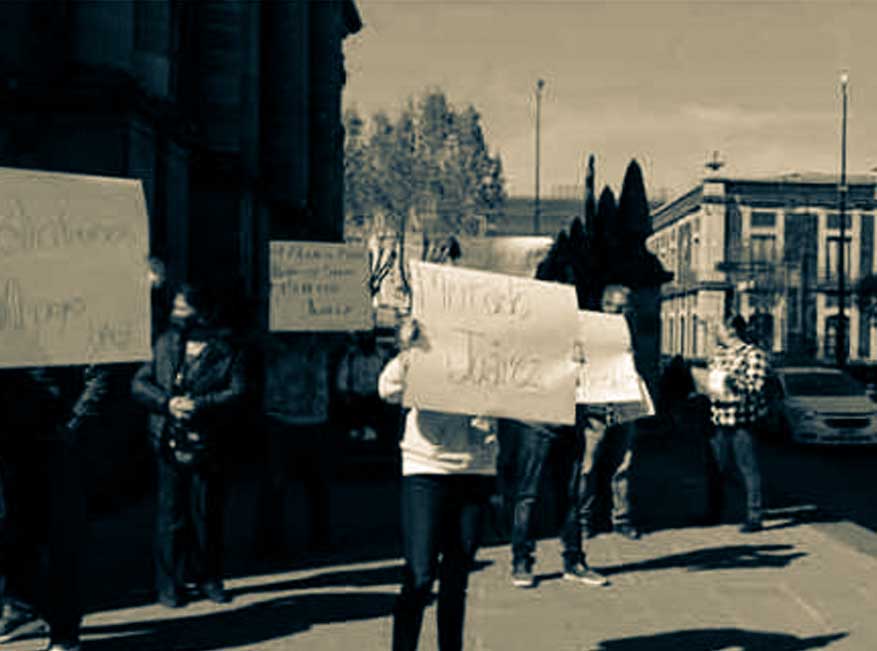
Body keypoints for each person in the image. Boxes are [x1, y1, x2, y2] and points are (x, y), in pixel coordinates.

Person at [378, 317, 497, 651]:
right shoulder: (423, 348)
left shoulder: (495, 353)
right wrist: (408, 350)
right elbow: (387, 389)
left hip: (475, 468)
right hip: (426, 467)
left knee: (456, 577)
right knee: (420, 574)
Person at [132, 284, 246, 607]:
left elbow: (238, 391)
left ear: (203, 312)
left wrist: (200, 404)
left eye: (183, 309)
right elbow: (140, 383)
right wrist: (167, 403)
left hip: (209, 443)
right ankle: (168, 584)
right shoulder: (164, 343)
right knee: (170, 515)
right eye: (175, 308)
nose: (176, 314)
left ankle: (209, 577)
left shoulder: (227, 350)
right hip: (167, 440)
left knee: (206, 512)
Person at [579, 285, 644, 542]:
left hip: (624, 405)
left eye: (623, 308)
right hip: (595, 407)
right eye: (613, 307)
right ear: (602, 305)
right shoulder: (587, 332)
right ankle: (583, 519)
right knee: (587, 466)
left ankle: (622, 518)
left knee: (622, 466)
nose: (618, 313)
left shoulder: (633, 333)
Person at [705, 314, 769, 533]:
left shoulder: (754, 354)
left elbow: (756, 386)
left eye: (718, 327)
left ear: (731, 330)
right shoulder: (719, 354)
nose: (715, 332)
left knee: (748, 468)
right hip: (719, 419)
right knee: (716, 468)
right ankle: (714, 512)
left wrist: (732, 381)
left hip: (742, 421)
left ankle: (754, 516)